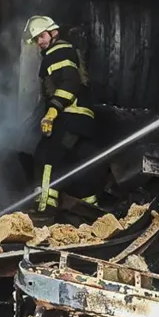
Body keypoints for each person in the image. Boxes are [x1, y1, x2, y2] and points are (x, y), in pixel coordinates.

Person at [22, 16, 102, 212]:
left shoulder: (57, 52)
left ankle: (43, 209)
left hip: (69, 116)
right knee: (78, 162)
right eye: (36, 39)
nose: (39, 42)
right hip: (83, 120)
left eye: (42, 36)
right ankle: (89, 211)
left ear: (54, 32)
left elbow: (70, 83)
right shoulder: (68, 50)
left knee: (46, 155)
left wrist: (52, 112)